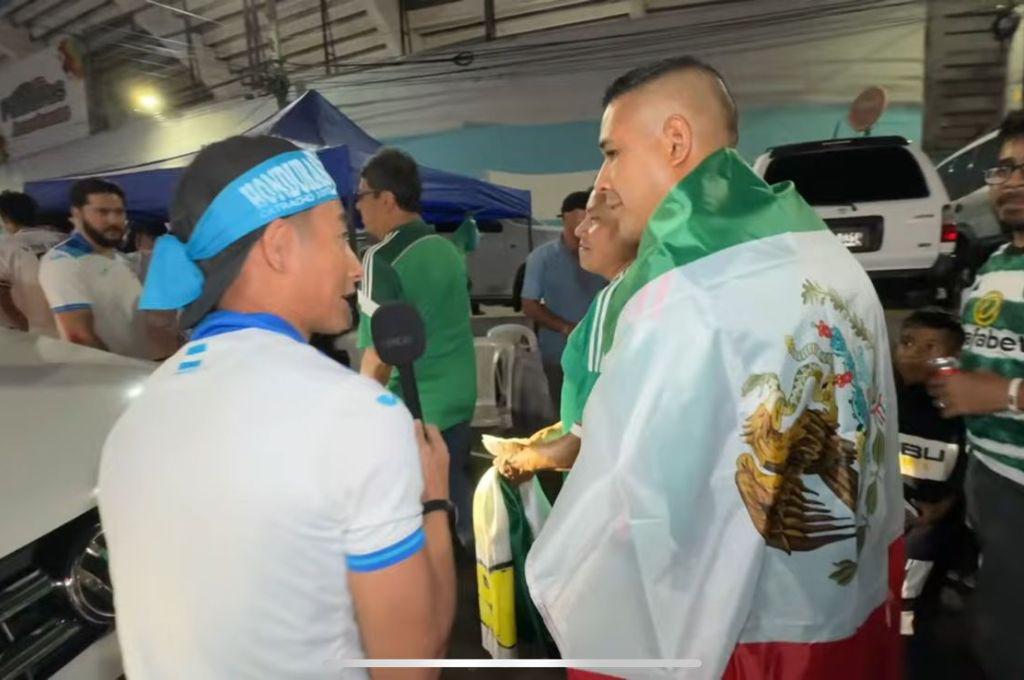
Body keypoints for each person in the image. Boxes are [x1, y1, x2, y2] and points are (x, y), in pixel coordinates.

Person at [525, 56, 902, 679]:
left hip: (747, 636)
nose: (605, 178)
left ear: (675, 141)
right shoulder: (824, 255)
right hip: (841, 605)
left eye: (612, 152)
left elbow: (637, 498)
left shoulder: (687, 292)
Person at [99, 136, 456, 679]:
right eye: (340, 237)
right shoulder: (352, 415)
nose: (355, 267)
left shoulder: (135, 417)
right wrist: (434, 501)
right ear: (280, 245)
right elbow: (413, 665)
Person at [927, 110, 1024, 680]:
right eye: (1005, 168)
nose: (1012, 182)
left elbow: (999, 388)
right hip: (990, 475)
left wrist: (1003, 393)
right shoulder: (994, 265)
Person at [355, 147, 477, 548]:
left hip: (414, 411)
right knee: (455, 488)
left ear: (385, 199)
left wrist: (359, 417)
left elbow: (378, 355)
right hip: (459, 398)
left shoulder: (381, 258)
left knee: (414, 523)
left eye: (360, 197)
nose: (358, 209)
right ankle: (483, 572)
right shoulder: (447, 250)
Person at [493, 189, 639, 481]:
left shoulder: (613, 299)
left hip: (604, 474)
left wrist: (528, 458)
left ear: (624, 230)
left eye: (593, 221)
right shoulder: (635, 287)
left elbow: (588, 431)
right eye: (575, 223)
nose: (580, 230)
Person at [894, 309, 971, 676]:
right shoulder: (882, 396)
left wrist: (945, 506)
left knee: (913, 611)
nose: (914, 354)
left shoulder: (961, 410)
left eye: (931, 347)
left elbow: (970, 464)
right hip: (887, 521)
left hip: (935, 527)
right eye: (907, 343)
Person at [38, 178, 177, 358]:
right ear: (77, 214)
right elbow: (78, 335)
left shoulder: (117, 258)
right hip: (114, 376)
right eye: (102, 212)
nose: (113, 220)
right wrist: (118, 373)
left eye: (119, 212)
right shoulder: (63, 262)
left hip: (142, 369)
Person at [521, 191, 605, 412]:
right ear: (565, 218)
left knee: (601, 414)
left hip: (601, 351)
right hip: (559, 353)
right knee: (565, 416)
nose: (583, 226)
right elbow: (529, 304)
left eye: (590, 217)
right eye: (578, 217)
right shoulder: (542, 258)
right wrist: (564, 327)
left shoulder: (604, 254)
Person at [0, 190, 62, 335]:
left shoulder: (6, 246)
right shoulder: (65, 239)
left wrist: (23, 326)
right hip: (74, 329)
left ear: (6, 218)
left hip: (33, 335)